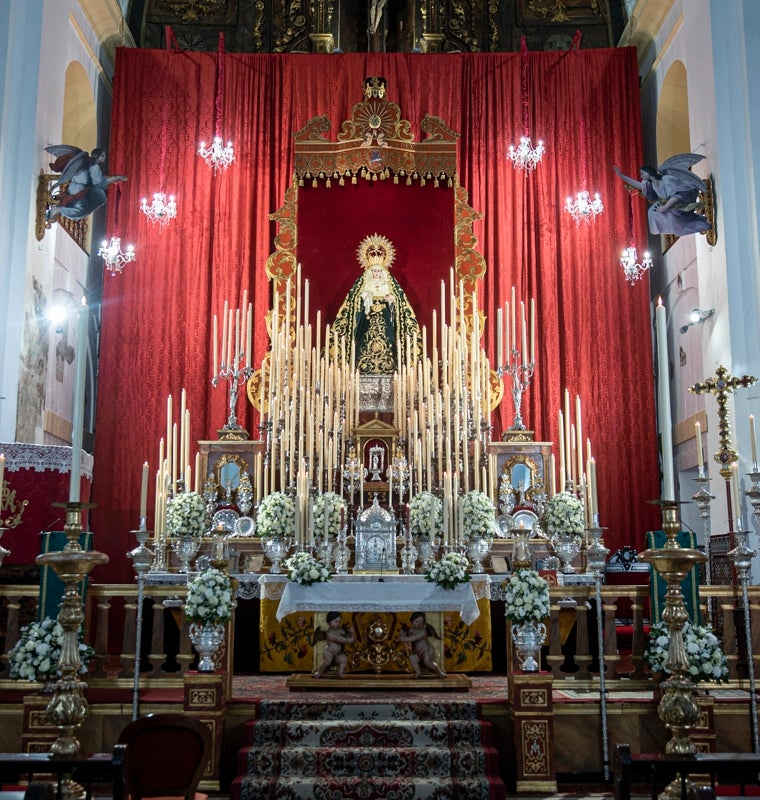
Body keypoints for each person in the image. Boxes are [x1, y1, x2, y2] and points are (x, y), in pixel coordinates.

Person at [331, 233, 422, 374]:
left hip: (386, 321)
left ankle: (391, 368)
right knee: (362, 343)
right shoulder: (363, 284)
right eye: (374, 271)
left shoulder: (390, 284)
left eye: (379, 271)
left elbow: (400, 303)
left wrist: (392, 300)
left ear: (383, 271)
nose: (377, 274)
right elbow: (353, 302)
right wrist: (364, 298)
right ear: (370, 271)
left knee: (390, 341)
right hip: (367, 321)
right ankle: (361, 369)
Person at [614, 153, 711, 236]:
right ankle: (697, 224)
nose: (641, 176)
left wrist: (665, 207)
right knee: (654, 213)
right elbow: (639, 185)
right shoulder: (651, 184)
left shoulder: (666, 180)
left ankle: (702, 224)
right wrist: (621, 176)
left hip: (684, 199)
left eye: (642, 173)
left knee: (675, 224)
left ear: (649, 172)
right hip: (674, 204)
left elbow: (678, 195)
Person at [44, 145, 127, 222]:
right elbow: (99, 183)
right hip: (79, 189)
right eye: (103, 155)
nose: (105, 157)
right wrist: (117, 178)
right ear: (97, 156)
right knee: (81, 211)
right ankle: (59, 210)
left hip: (73, 187)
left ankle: (58, 209)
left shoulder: (86, 161)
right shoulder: (94, 167)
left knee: (76, 207)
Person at [398, 611, 446, 678]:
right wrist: (403, 632)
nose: (419, 624)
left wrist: (404, 639)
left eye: (421, 622)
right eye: (416, 621)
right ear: (412, 621)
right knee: (412, 658)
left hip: (426, 650)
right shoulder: (411, 630)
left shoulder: (423, 631)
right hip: (416, 652)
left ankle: (439, 672)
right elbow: (405, 634)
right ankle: (418, 672)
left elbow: (414, 638)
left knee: (427, 662)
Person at [313, 611, 355, 678]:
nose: (338, 624)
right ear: (329, 622)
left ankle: (340, 673)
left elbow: (346, 635)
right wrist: (350, 639)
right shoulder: (329, 633)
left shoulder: (339, 630)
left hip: (337, 654)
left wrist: (350, 632)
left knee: (344, 659)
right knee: (327, 662)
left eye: (339, 622)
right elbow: (341, 639)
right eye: (335, 621)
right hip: (328, 653)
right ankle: (319, 672)